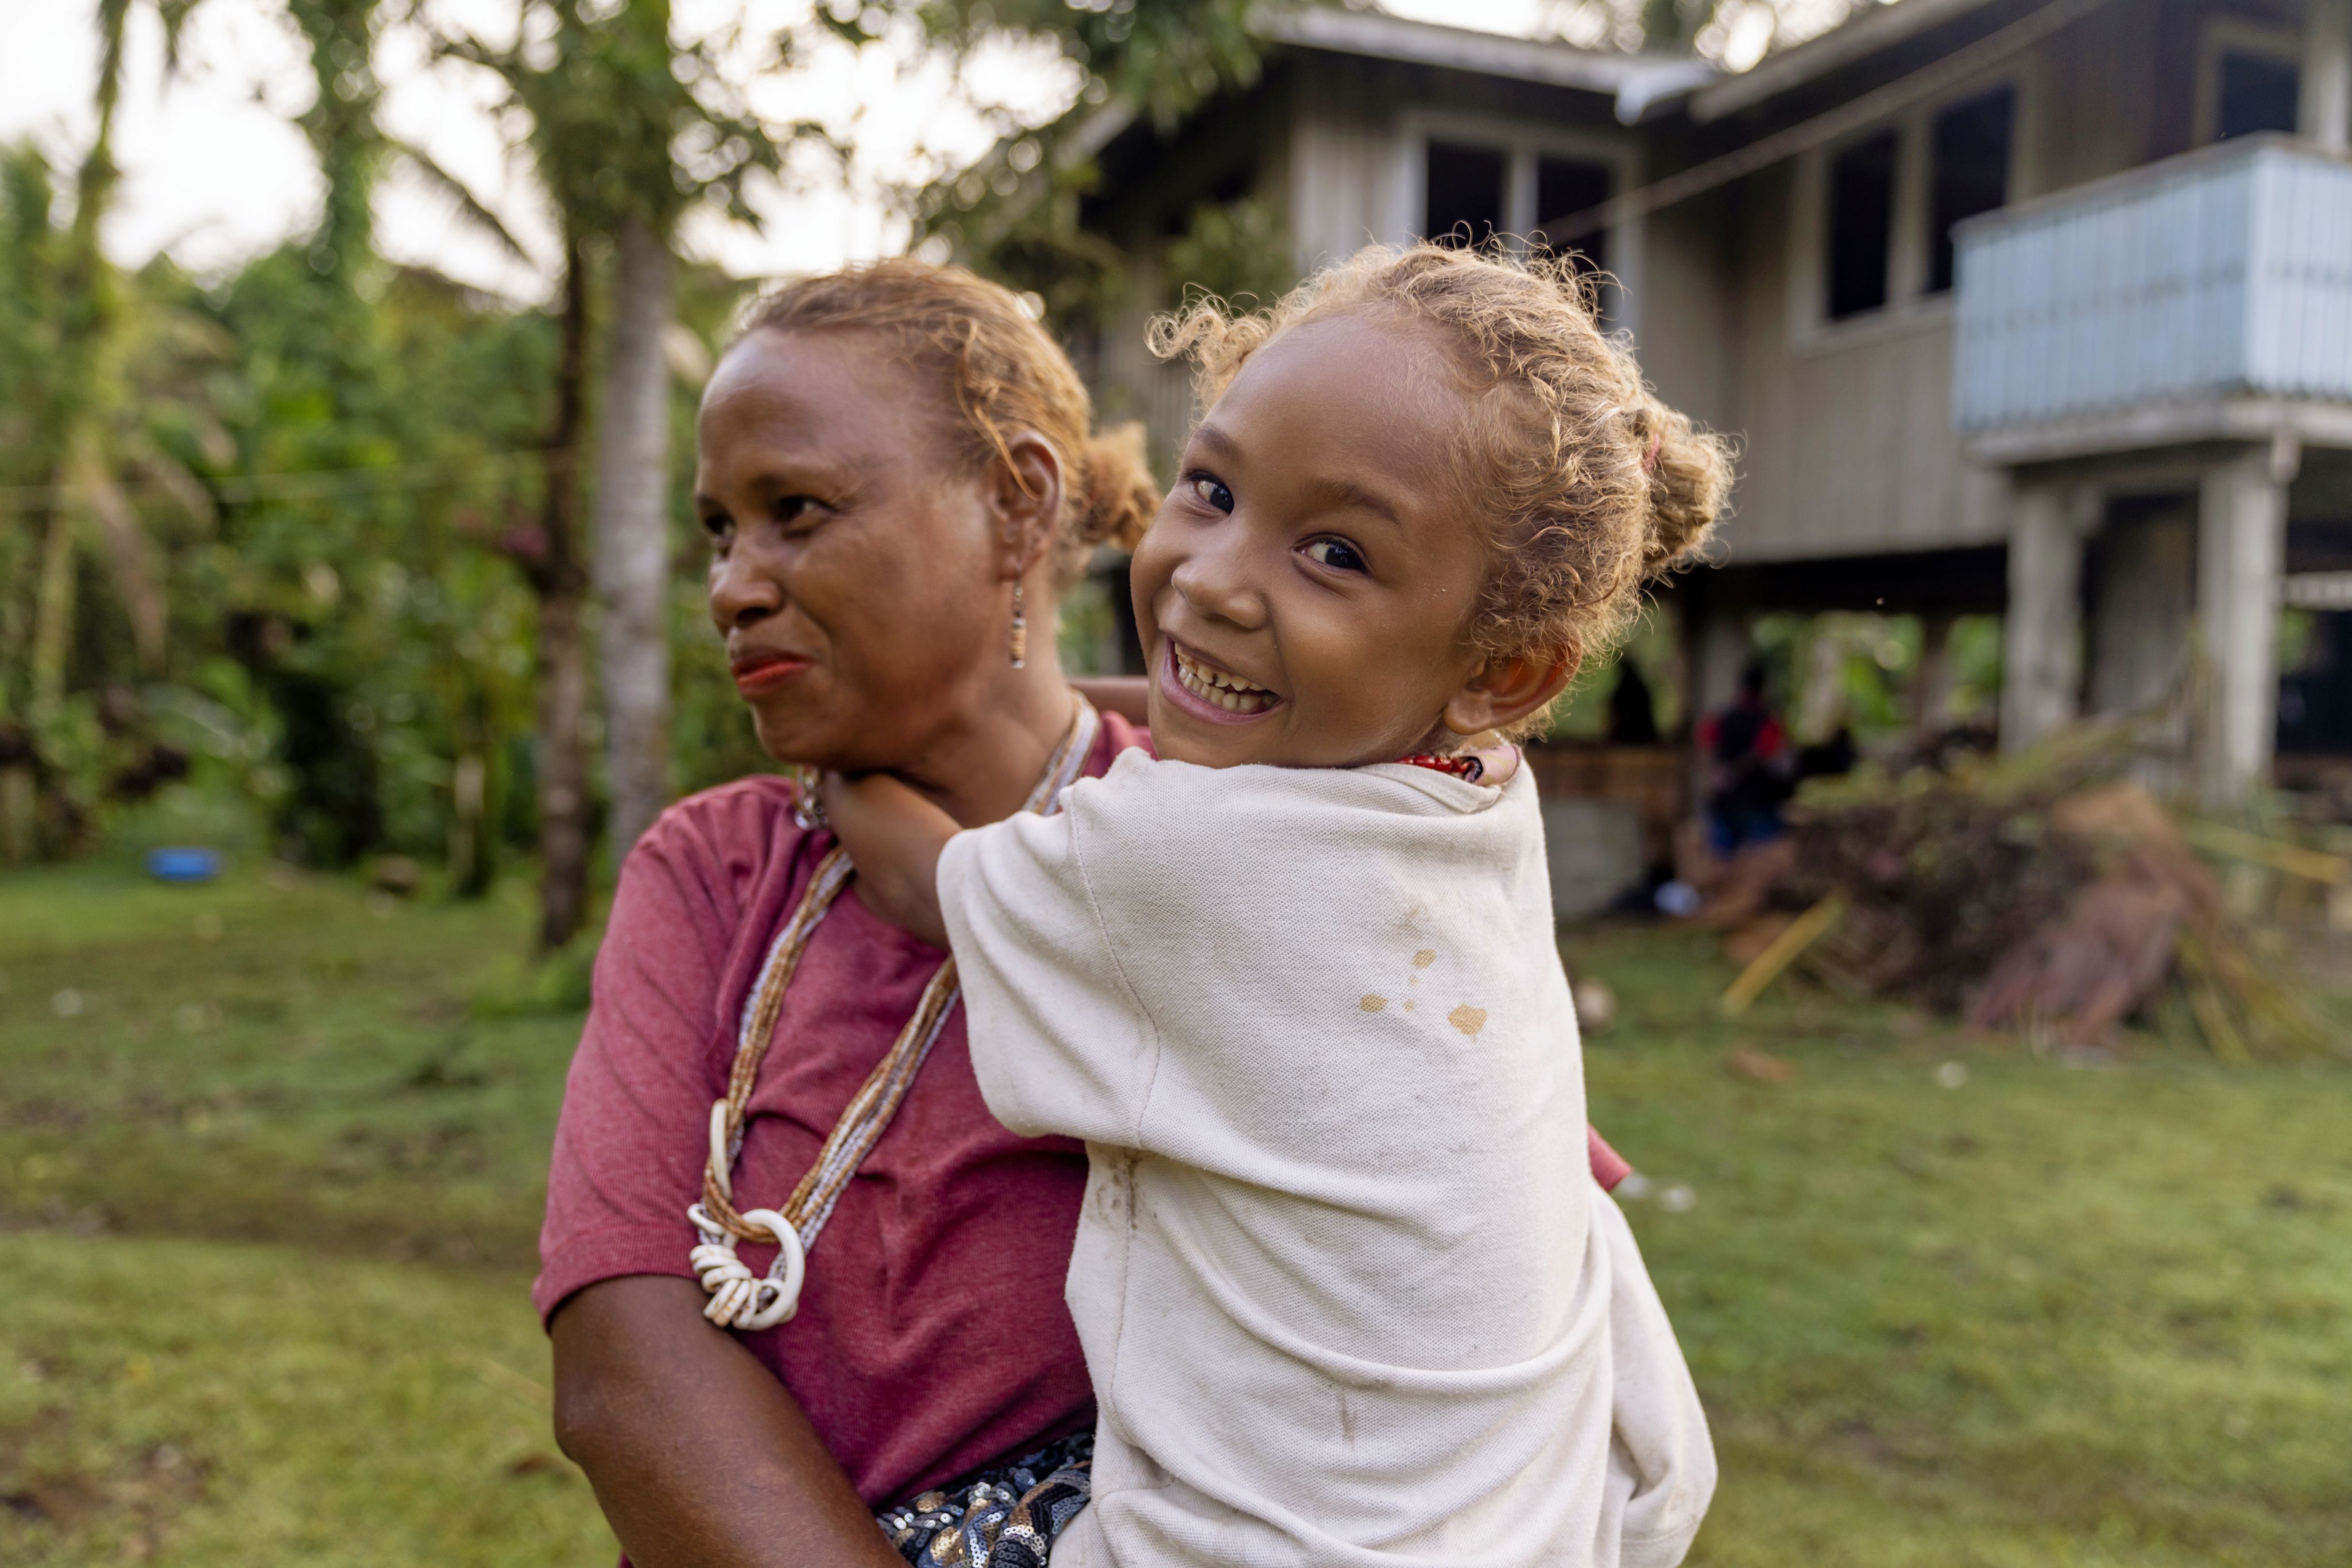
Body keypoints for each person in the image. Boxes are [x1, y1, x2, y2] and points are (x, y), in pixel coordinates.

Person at [535, 258, 1639, 1568]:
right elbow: (626, 1382)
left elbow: (1496, 1235)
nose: (734, 584)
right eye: (721, 530)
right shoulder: (715, 873)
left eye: (798, 511)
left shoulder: (1281, 850)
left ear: (1018, 503)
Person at [824, 242, 1725, 1568]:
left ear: (1505, 666)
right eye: (1212, 488)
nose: (1211, 580)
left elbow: (921, 875)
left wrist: (851, 748)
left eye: (1336, 553)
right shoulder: (1473, 788)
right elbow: (1233, 722)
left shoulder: (1192, 866)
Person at [1697, 659, 1790, 855]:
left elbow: (1705, 749)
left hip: (1727, 805)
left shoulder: (1722, 718)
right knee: (1759, 866)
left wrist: (1719, 773)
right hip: (1755, 806)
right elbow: (1767, 755)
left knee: (1720, 867)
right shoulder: (1768, 722)